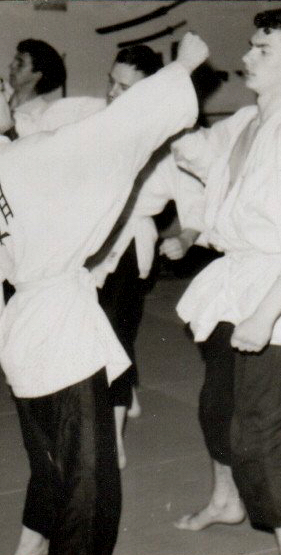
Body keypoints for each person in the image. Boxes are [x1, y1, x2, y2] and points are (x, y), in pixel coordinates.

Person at [0, 33, 206, 555]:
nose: (8, 94)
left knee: (53, 471)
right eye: (0, 88)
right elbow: (113, 132)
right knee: (90, 491)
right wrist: (183, 68)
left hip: (21, 334)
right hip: (62, 335)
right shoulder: (27, 157)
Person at [167, 10, 281, 555]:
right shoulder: (248, 120)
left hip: (274, 294)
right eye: (250, 46)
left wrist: (264, 316)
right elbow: (199, 156)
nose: (246, 57)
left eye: (264, 50)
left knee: (263, 437)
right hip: (232, 285)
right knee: (217, 410)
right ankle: (226, 501)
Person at [88, 44, 206, 469]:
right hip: (88, 243)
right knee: (89, 332)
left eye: (125, 87)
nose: (113, 93)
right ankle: (126, 393)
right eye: (111, 82)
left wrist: (186, 238)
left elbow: (195, 201)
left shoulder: (171, 141)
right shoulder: (98, 123)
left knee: (115, 337)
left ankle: (113, 439)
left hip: (129, 248)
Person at [8, 38, 67, 137]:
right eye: (14, 61)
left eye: (20, 64)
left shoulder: (44, 116)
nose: (11, 66)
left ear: (38, 74)